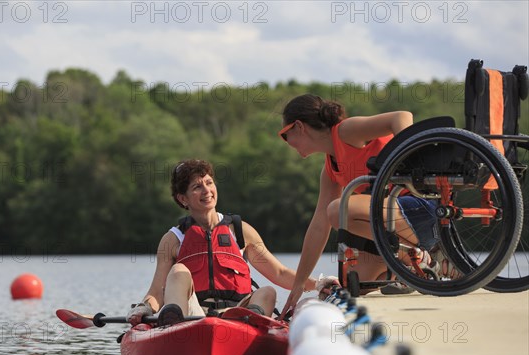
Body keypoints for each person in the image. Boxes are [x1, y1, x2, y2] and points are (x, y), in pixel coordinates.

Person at [277, 94, 445, 316]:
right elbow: (318, 226)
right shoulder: (329, 171)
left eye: (284, 135)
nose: (286, 142)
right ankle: (418, 265)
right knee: (351, 283)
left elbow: (401, 116)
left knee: (338, 210)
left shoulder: (346, 131)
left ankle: (417, 256)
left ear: (298, 126)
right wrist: (298, 284)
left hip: (421, 205)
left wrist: (411, 162)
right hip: (398, 221)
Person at [127, 159, 338, 326]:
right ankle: (176, 325)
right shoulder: (173, 239)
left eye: (209, 183)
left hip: (237, 314)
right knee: (178, 271)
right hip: (194, 316)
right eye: (197, 187)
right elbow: (156, 292)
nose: (207, 191)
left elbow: (280, 274)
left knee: (267, 292)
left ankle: (250, 323)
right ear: (183, 199)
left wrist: (318, 283)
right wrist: (145, 308)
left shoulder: (240, 230)